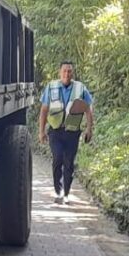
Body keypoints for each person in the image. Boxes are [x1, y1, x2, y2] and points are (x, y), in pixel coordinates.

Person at [38, 61, 94, 205]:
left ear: (72, 73)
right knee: (57, 159)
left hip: (72, 132)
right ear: (59, 72)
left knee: (69, 162)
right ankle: (59, 191)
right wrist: (41, 131)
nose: (67, 74)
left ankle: (67, 193)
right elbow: (44, 110)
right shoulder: (51, 87)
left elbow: (88, 109)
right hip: (55, 131)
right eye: (64, 71)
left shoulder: (80, 88)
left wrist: (89, 129)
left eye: (69, 71)